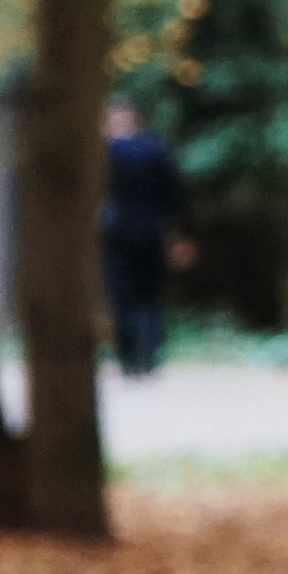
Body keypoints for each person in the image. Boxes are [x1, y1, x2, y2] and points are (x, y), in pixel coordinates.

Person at [98, 99, 192, 377]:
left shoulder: (104, 153)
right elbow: (175, 196)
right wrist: (178, 236)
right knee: (149, 293)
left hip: (115, 234)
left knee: (121, 294)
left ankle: (128, 358)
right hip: (151, 232)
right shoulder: (157, 150)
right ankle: (148, 354)